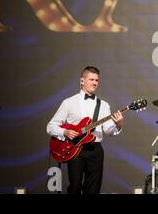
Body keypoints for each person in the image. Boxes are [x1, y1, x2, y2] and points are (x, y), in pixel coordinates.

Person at [47, 66, 123, 194]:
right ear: (82, 81)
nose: (94, 83)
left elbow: (109, 130)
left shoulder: (103, 105)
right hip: (75, 150)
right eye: (91, 79)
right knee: (75, 187)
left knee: (93, 189)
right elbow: (51, 126)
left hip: (95, 150)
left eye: (97, 80)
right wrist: (65, 132)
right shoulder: (69, 102)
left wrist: (119, 124)